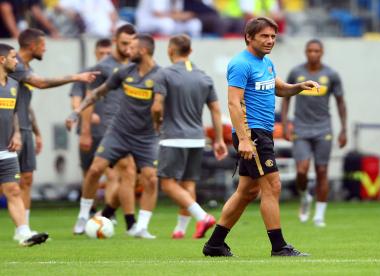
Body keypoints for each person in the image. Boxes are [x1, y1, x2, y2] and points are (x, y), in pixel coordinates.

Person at [203, 17, 319, 257]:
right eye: (264, 36)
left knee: (247, 191)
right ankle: (279, 247)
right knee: (272, 185)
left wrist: (299, 87)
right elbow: (233, 104)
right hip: (252, 133)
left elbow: (278, 88)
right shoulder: (240, 64)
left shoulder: (266, 62)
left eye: (273, 37)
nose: (270, 41)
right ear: (249, 37)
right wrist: (244, 139)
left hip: (262, 132)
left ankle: (215, 244)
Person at [67, 34, 162, 239]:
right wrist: (77, 111)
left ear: (143, 51)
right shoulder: (124, 71)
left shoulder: (161, 75)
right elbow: (98, 92)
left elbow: (164, 106)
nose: (129, 51)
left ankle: (141, 227)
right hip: (118, 131)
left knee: (151, 179)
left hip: (145, 136)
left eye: (133, 48)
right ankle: (83, 216)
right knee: (94, 170)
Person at [8, 28, 98, 231]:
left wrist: (36, 131)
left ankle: (23, 228)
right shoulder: (16, 66)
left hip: (24, 130)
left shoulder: (24, 68)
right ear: (32, 46)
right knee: (9, 182)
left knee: (26, 179)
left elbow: (25, 104)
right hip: (9, 131)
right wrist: (77, 77)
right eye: (43, 44)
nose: (45, 48)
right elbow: (41, 83)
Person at [152, 34, 228, 239]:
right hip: (197, 138)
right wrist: (219, 140)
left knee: (168, 184)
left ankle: (202, 216)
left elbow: (157, 105)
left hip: (173, 137)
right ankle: (180, 229)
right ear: (190, 51)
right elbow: (215, 110)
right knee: (188, 184)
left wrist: (157, 122)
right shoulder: (204, 77)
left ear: (170, 50)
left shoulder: (164, 74)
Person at [79, 24, 139, 233]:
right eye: (124, 43)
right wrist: (85, 130)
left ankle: (110, 215)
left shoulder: (136, 65)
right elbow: (90, 98)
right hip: (109, 128)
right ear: (115, 40)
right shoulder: (103, 67)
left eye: (131, 44)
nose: (128, 48)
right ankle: (86, 214)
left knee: (128, 174)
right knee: (98, 171)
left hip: (132, 129)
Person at [281, 39, 347, 227]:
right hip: (301, 128)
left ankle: (319, 215)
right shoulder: (296, 72)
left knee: (322, 170)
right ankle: (304, 197)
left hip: (323, 128)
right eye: (310, 50)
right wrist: (285, 124)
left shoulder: (331, 75)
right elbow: (285, 97)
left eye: (316, 51)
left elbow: (341, 102)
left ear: (322, 52)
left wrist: (343, 129)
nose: (313, 54)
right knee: (301, 170)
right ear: (305, 52)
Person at [0, 43, 48, 246]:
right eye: (13, 57)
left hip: (6, 149)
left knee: (14, 190)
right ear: (2, 60)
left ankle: (24, 233)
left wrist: (17, 134)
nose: (17, 61)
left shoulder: (13, 84)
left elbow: (15, 114)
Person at [69, 38, 116, 219]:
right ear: (95, 53)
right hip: (89, 132)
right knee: (89, 173)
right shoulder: (85, 74)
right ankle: (91, 211)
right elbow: (75, 99)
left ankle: (109, 213)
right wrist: (82, 115)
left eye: (107, 53)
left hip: (111, 132)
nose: (104, 56)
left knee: (112, 173)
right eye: (101, 53)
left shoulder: (116, 73)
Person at [136, 0, 202, 38]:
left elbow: (177, 13)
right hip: (147, 21)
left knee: (195, 24)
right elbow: (157, 14)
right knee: (167, 24)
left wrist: (185, 16)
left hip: (170, 22)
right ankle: (164, 47)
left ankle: (195, 48)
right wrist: (181, 16)